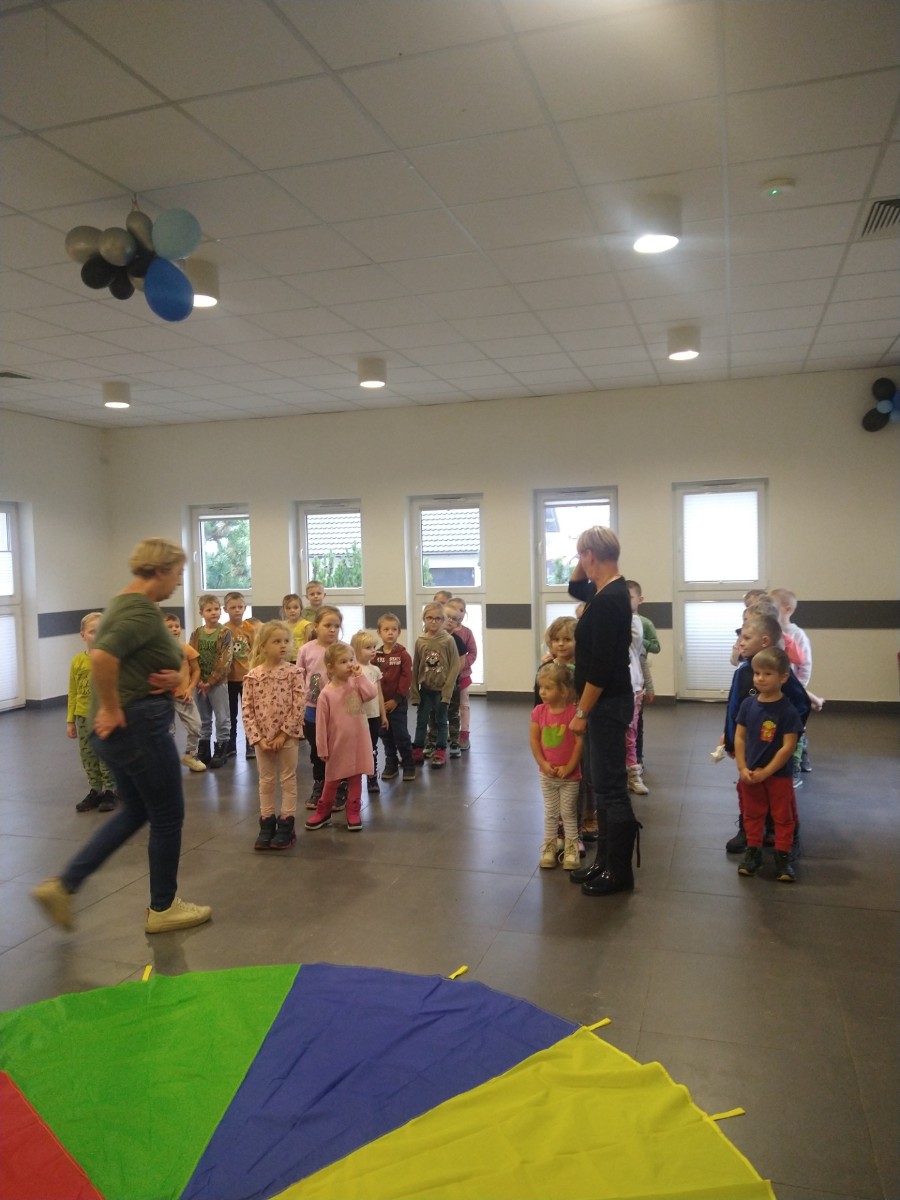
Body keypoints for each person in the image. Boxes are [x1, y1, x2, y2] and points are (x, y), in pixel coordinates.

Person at [31, 537, 212, 934]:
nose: (178, 582)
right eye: (178, 573)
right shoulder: (138, 611)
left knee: (137, 811)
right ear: (159, 570)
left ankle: (63, 886)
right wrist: (112, 708)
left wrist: (172, 677)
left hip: (127, 727)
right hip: (137, 727)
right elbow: (102, 656)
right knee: (168, 815)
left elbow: (132, 659)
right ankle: (164, 908)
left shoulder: (126, 603)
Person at [566, 526, 641, 897]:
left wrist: (582, 712)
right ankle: (604, 861)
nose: (580, 563)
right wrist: (585, 553)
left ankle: (619, 871)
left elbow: (602, 668)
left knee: (611, 788)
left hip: (606, 702)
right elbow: (573, 586)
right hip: (604, 702)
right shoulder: (603, 591)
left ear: (591, 556)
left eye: (582, 555)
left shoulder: (611, 598)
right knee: (600, 780)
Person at [721, 612, 810, 854]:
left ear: (764, 641)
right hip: (749, 748)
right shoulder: (744, 671)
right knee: (748, 786)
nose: (741, 642)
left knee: (777, 791)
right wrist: (729, 736)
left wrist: (786, 735)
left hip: (772, 748)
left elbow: (801, 704)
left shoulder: (779, 674)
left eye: (746, 638)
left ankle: (782, 831)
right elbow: (735, 708)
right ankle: (749, 829)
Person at [735, 647, 803, 882]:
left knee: (783, 816)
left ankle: (783, 856)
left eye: (767, 674)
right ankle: (753, 852)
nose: (760, 678)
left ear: (783, 677)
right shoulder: (747, 705)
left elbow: (787, 747)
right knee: (752, 814)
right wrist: (742, 767)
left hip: (778, 776)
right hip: (751, 773)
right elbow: (740, 737)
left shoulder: (788, 711)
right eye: (757, 673)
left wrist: (767, 772)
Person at [242, 621, 305, 851]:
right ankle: (266, 824)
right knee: (266, 781)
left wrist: (283, 734)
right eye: (276, 641)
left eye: (286, 641)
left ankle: (286, 825)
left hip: (287, 737)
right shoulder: (252, 676)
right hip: (262, 739)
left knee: (288, 779)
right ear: (263, 646)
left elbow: (298, 706)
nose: (283, 645)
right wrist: (257, 738)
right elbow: (247, 709)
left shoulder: (294, 673)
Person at [305, 641, 377, 832]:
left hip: (359, 742)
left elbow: (371, 693)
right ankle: (323, 811)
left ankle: (353, 811)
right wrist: (322, 748)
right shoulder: (326, 694)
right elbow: (321, 725)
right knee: (332, 780)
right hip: (337, 745)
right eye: (343, 662)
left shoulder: (356, 683)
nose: (349, 665)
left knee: (356, 778)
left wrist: (360, 676)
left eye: (351, 660)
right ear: (330, 667)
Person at [531, 663, 583, 870]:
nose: (542, 692)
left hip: (570, 776)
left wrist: (570, 767)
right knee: (551, 812)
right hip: (547, 775)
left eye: (548, 688)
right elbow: (534, 741)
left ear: (563, 691)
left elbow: (579, 743)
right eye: (541, 687)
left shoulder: (573, 714)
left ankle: (571, 848)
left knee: (568, 812)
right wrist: (543, 763)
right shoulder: (538, 712)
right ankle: (549, 846)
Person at [67, 611, 117, 811]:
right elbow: (73, 691)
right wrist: (70, 721)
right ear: (83, 635)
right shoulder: (77, 661)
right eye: (92, 631)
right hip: (83, 716)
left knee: (106, 753)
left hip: (104, 716)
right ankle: (95, 789)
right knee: (88, 755)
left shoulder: (111, 659)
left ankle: (110, 790)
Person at [296, 605, 343, 810]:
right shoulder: (306, 650)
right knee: (317, 749)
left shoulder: (344, 649)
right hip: (313, 707)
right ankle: (320, 783)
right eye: (327, 625)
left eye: (336, 626)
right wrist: (298, 706)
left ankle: (340, 786)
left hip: (338, 709)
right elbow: (299, 678)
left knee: (338, 748)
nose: (332, 630)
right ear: (316, 626)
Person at [410, 602, 459, 769]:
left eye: (438, 618)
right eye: (429, 618)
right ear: (424, 619)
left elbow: (454, 666)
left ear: (443, 620)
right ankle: (417, 749)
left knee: (441, 720)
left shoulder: (448, 640)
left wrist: (447, 691)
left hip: (441, 690)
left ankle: (440, 750)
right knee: (421, 720)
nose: (433, 621)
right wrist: (414, 692)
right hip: (425, 689)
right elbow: (416, 666)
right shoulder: (420, 641)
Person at [189, 594, 232, 768]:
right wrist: (198, 679)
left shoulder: (224, 633)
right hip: (199, 683)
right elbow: (191, 656)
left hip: (217, 683)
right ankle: (204, 748)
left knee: (222, 717)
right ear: (201, 613)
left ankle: (221, 748)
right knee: (203, 718)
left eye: (216, 609)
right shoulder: (196, 634)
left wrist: (211, 680)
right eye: (209, 610)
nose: (213, 612)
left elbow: (225, 659)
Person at [373, 612, 416, 783]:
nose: (390, 633)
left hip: (397, 703)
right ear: (379, 632)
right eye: (386, 629)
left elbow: (406, 679)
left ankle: (409, 763)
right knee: (385, 735)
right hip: (380, 704)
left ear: (399, 632)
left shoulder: (403, 655)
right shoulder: (375, 656)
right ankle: (391, 763)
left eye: (394, 629)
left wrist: (396, 699)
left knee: (401, 735)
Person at [163, 611, 206, 772]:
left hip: (184, 695)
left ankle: (190, 755)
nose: (174, 629)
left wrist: (190, 688)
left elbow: (196, 670)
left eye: (177, 626)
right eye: (169, 626)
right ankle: (166, 760)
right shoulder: (157, 651)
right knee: (167, 730)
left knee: (196, 725)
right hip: (164, 698)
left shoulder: (186, 648)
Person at [626, 581, 660, 769]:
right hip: (626, 678)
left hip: (638, 675)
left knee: (636, 722)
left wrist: (638, 640)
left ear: (640, 599)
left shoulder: (645, 623)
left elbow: (655, 647)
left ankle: (637, 757)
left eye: (630, 597)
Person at [224, 591, 260, 760]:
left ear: (245, 608)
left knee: (249, 713)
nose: (237, 610)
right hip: (229, 679)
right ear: (226, 609)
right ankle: (230, 745)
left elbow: (256, 652)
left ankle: (250, 744)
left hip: (247, 678)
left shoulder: (250, 629)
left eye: (240, 607)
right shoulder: (223, 630)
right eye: (233, 607)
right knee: (230, 714)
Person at [350, 629, 387, 793]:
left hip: (373, 716)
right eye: (368, 648)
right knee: (355, 747)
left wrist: (383, 714)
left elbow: (379, 694)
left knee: (372, 747)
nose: (373, 651)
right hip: (358, 716)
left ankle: (372, 777)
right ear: (356, 650)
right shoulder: (353, 670)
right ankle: (353, 777)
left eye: (374, 647)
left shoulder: (375, 670)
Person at [442, 606, 469, 758]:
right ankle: (436, 741)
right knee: (435, 713)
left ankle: (454, 742)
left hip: (452, 684)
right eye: (448, 617)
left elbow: (461, 663)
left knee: (452, 713)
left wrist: (449, 678)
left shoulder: (457, 641)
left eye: (455, 619)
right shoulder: (431, 639)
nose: (451, 621)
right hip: (434, 684)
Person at [282, 594, 309, 663]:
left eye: (295, 607)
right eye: (288, 608)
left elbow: (307, 645)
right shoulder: (282, 625)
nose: (292, 611)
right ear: (284, 610)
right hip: (286, 658)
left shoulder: (306, 625)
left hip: (300, 658)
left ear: (301, 608)